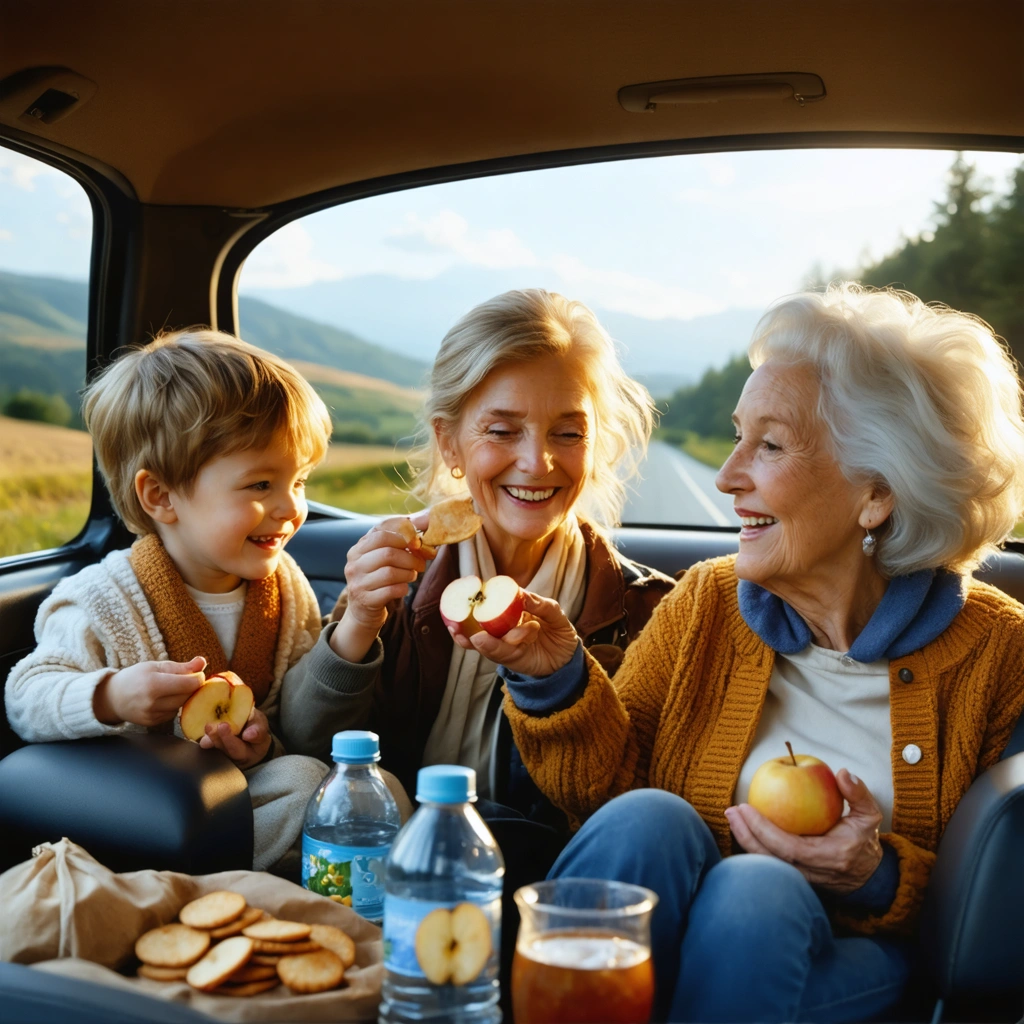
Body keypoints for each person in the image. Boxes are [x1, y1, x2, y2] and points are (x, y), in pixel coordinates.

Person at [465, 283, 1024, 1023]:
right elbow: (603, 795)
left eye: (769, 445)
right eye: (737, 436)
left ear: (877, 494)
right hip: (664, 938)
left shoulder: (998, 651)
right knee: (648, 818)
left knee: (756, 889)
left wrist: (873, 872)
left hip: (848, 958)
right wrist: (556, 681)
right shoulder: (706, 602)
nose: (729, 476)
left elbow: (997, 902)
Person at [280, 288, 675, 825]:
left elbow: (638, 799)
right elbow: (310, 748)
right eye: (502, 431)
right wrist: (358, 623)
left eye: (568, 432)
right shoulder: (397, 576)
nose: (537, 462)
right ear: (450, 443)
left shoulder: (648, 610)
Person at [5, 330, 395, 871]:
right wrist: (112, 696)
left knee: (366, 788)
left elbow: (295, 731)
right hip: (139, 805)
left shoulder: (284, 587)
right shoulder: (102, 601)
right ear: (161, 496)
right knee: (314, 793)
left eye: (300, 481)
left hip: (239, 794)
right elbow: (25, 696)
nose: (291, 507)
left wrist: (262, 745)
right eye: (260, 485)